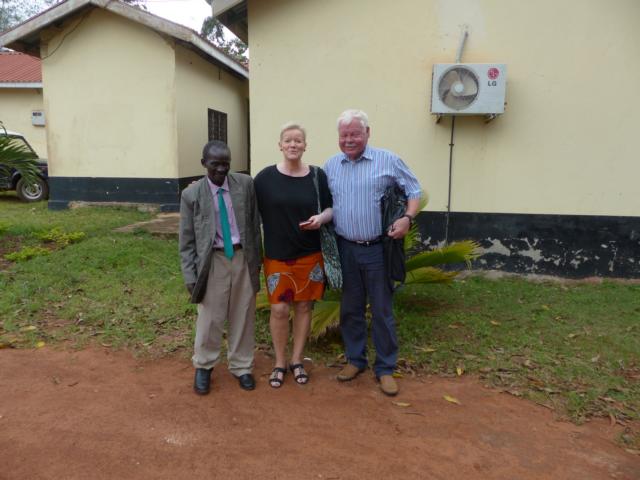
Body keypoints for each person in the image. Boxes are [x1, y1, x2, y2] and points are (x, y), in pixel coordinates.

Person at [323, 109, 422, 396]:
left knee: (381, 310)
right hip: (346, 249)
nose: (349, 139)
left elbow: (414, 190)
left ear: (367, 133)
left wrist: (407, 218)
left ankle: (386, 368)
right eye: (344, 135)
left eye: (355, 134)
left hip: (378, 249)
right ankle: (355, 360)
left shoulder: (388, 160)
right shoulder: (331, 165)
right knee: (350, 309)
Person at [179, 140, 262, 395]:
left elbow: (254, 222)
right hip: (212, 260)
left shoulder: (245, 185)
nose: (221, 169)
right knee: (210, 317)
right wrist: (190, 275)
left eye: (226, 163)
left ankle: (242, 366)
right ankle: (204, 365)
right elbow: (186, 239)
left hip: (242, 256)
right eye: (215, 164)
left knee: (243, 313)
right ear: (204, 163)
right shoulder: (192, 195)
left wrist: (256, 262)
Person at [254, 123, 333, 388]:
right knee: (279, 309)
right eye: (288, 140)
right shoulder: (265, 178)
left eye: (298, 140)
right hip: (277, 255)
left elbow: (331, 208)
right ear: (280, 145)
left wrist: (321, 218)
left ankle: (297, 360)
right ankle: (279, 362)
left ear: (305, 145)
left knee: (304, 307)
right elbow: (243, 200)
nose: (293, 144)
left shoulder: (317, 176)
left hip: (309, 254)